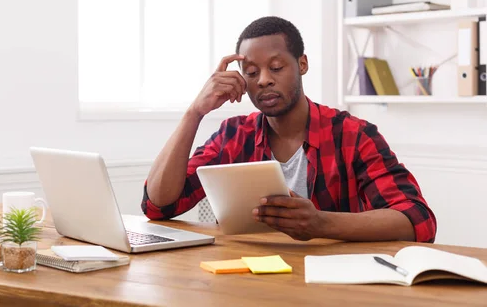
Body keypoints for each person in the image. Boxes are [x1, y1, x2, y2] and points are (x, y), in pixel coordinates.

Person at [141, 16, 437, 243]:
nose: (264, 80)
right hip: (249, 281)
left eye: (277, 67)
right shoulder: (234, 135)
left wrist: (321, 223)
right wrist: (195, 112)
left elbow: (417, 219)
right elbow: (158, 205)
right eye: (252, 72)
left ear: (302, 64)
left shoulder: (353, 134)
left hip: (333, 284)